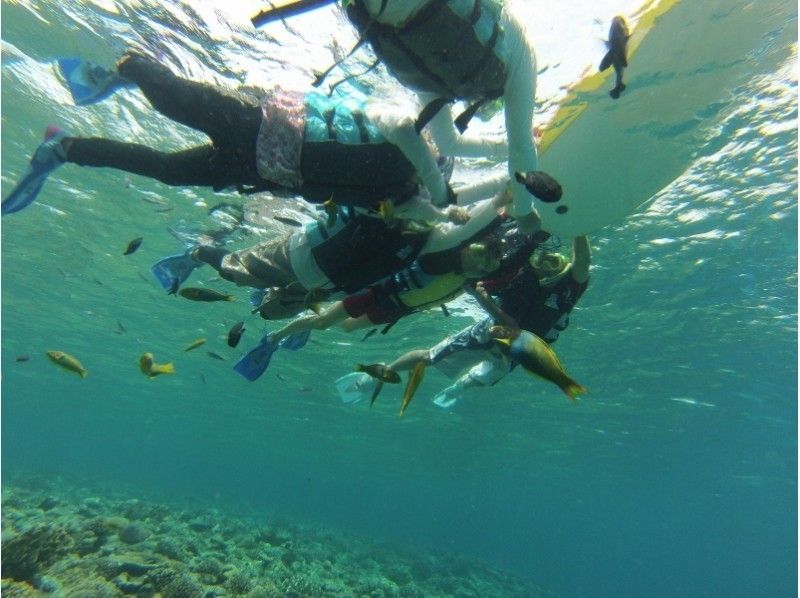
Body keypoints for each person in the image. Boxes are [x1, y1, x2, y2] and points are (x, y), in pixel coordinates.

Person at [2, 51, 458, 217]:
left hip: (252, 168)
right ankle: (123, 68)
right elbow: (407, 128)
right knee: (171, 98)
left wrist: (453, 202)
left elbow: (436, 216)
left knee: (167, 172)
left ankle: (63, 148)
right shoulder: (411, 146)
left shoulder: (401, 193)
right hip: (261, 125)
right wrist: (442, 187)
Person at [153, 181, 512, 319]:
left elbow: (471, 217)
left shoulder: (436, 244)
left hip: (322, 289)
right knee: (235, 273)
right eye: (484, 253)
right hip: (300, 254)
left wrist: (500, 200)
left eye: (485, 266)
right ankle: (201, 249)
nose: (481, 263)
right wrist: (506, 190)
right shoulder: (408, 201)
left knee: (268, 314)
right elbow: (462, 201)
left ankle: (264, 298)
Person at [337, 0, 542, 234]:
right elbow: (520, 147)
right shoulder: (517, 52)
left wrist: (512, 155)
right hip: (381, 14)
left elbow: (450, 144)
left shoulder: (438, 79)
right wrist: (524, 212)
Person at [338, 227, 591, 407]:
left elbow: (583, 261)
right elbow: (508, 323)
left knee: (488, 376)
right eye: (543, 261)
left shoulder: (570, 287)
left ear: (565, 266)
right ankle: (381, 373)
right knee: (430, 356)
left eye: (554, 262)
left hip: (521, 351)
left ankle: (462, 386)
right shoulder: (524, 277)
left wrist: (580, 226)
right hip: (489, 334)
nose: (547, 266)